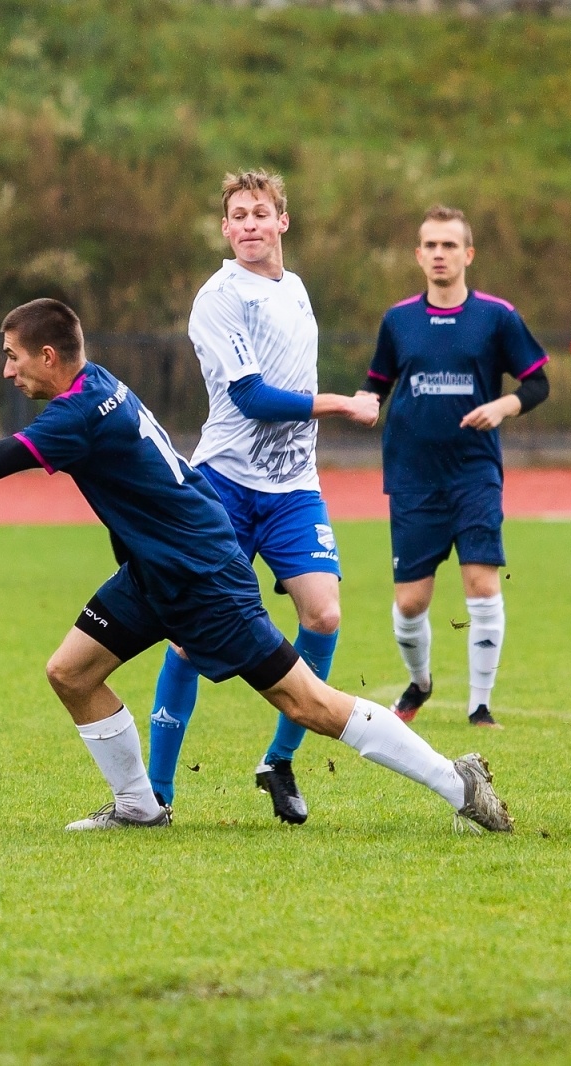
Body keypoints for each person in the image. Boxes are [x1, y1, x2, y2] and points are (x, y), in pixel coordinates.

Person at [0, 297, 513, 835]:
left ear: (47, 355)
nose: (7, 372)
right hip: (156, 572)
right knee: (70, 672)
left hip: (201, 576)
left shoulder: (76, 415)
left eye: (12, 357)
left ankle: (458, 783)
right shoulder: (94, 383)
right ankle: (139, 806)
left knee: (308, 703)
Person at [146, 170, 380, 826]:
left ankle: (279, 760)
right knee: (189, 639)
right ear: (225, 229)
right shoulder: (219, 298)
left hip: (294, 487)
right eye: (239, 216)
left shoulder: (295, 289)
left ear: (283, 221)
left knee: (324, 616)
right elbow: (251, 397)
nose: (250, 224)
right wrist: (342, 404)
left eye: (260, 212)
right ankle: (156, 794)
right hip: (224, 485)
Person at [358, 206, 551, 728]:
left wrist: (503, 406)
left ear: (468, 254)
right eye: (431, 245)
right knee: (410, 604)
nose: (439, 254)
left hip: (473, 472)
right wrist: (361, 403)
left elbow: (537, 383)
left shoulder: (497, 317)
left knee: (482, 586)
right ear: (418, 255)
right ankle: (420, 683)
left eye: (449, 245)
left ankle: (479, 705)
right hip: (412, 475)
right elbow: (376, 384)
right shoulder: (398, 320)